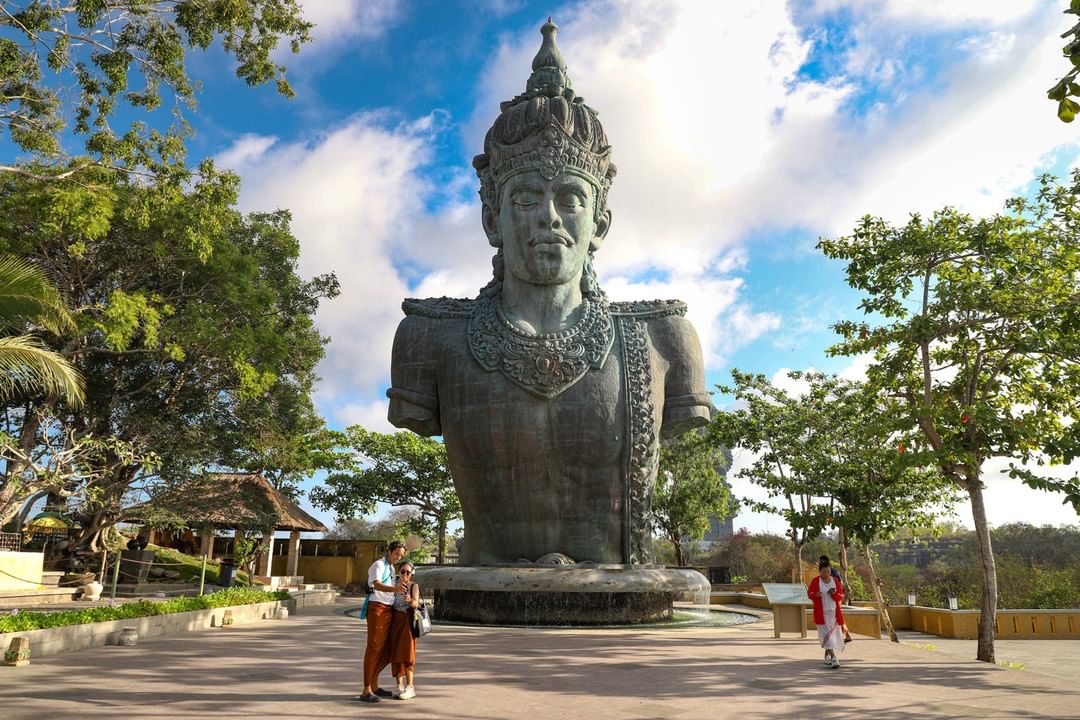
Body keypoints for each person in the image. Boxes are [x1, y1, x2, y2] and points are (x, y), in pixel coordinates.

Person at [387, 19, 712, 566]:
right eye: (525, 199)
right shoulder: (429, 338)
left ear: (599, 225)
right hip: (480, 597)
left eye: (570, 199)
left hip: (622, 593)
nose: (549, 218)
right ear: (492, 220)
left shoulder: (663, 339)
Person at [357, 540, 407, 703]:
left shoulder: (391, 568)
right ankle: (366, 689)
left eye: (401, 555)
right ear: (389, 551)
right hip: (377, 608)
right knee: (374, 647)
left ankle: (374, 684)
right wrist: (395, 589)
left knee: (385, 649)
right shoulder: (378, 565)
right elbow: (377, 585)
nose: (398, 557)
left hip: (388, 609)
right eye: (396, 554)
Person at [388, 561, 421, 700]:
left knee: (408, 654)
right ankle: (399, 686)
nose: (405, 574)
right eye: (403, 571)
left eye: (408, 572)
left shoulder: (413, 586)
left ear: (412, 573)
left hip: (407, 622)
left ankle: (410, 686)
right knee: (396, 654)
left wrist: (410, 600)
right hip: (394, 622)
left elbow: (416, 603)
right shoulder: (393, 585)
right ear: (398, 571)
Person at [808, 557, 846, 668]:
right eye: (824, 571)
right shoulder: (816, 581)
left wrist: (833, 594)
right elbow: (809, 593)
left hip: (833, 613)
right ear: (820, 571)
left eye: (828, 571)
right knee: (826, 635)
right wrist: (815, 595)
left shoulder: (835, 581)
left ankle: (826, 656)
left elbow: (841, 595)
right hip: (822, 613)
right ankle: (834, 658)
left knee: (831, 636)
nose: (826, 573)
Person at [820, 555, 854, 643]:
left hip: (834, 598)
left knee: (837, 617)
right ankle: (846, 635)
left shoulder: (830, 571)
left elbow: (838, 584)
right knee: (837, 617)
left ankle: (843, 635)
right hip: (832, 598)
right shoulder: (832, 571)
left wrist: (834, 593)